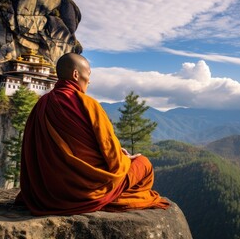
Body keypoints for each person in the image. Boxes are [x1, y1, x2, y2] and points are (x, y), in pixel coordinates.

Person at [15, 53, 169, 215]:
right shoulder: (87, 104)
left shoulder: (41, 105)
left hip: (48, 189)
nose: (90, 80)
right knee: (143, 163)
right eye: (88, 74)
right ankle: (107, 198)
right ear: (76, 74)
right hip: (86, 190)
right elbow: (114, 160)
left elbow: (31, 152)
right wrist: (126, 158)